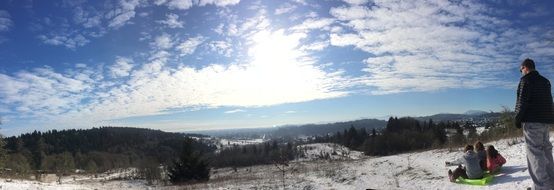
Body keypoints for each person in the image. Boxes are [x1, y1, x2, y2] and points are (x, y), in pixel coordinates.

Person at [515, 58, 554, 190]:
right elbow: (550, 102)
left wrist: (517, 119)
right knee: (546, 151)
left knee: (535, 154)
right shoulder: (545, 81)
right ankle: (551, 182)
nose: (521, 72)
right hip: (545, 122)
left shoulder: (525, 80)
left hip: (532, 122)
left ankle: (542, 186)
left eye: (521, 70)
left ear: (525, 67)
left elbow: (521, 102)